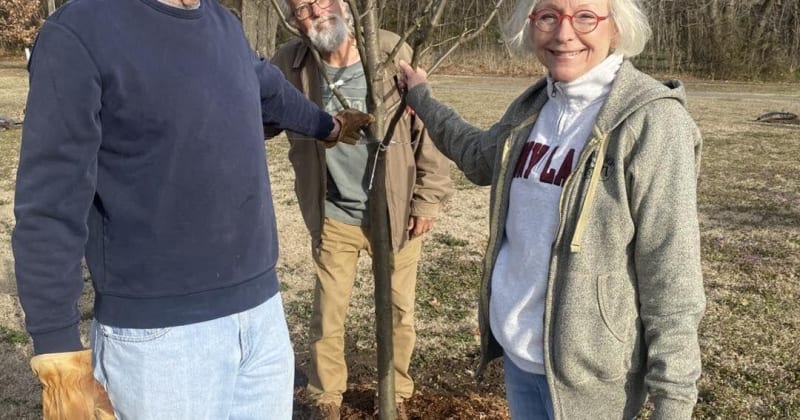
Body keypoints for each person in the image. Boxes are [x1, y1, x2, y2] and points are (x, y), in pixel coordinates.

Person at [12, 0, 371, 418]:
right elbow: (49, 206)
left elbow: (269, 90)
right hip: (161, 342)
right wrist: (58, 356)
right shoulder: (80, 31)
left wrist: (329, 126)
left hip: (261, 318)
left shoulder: (224, 27)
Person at [398, 0, 705, 418]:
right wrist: (422, 98)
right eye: (548, 16)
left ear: (616, 27)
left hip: (591, 382)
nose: (563, 34)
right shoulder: (534, 106)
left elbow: (672, 272)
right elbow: (477, 156)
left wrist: (673, 403)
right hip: (519, 355)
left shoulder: (652, 123)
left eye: (584, 17)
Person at [269, 0, 452, 418]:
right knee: (328, 312)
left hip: (396, 212)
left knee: (400, 312)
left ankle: (397, 395)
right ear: (295, 21)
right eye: (303, 9)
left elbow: (431, 131)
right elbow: (260, 112)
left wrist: (426, 199)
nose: (317, 12)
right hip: (334, 213)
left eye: (322, 1)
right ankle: (325, 397)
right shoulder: (291, 63)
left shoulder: (390, 53)